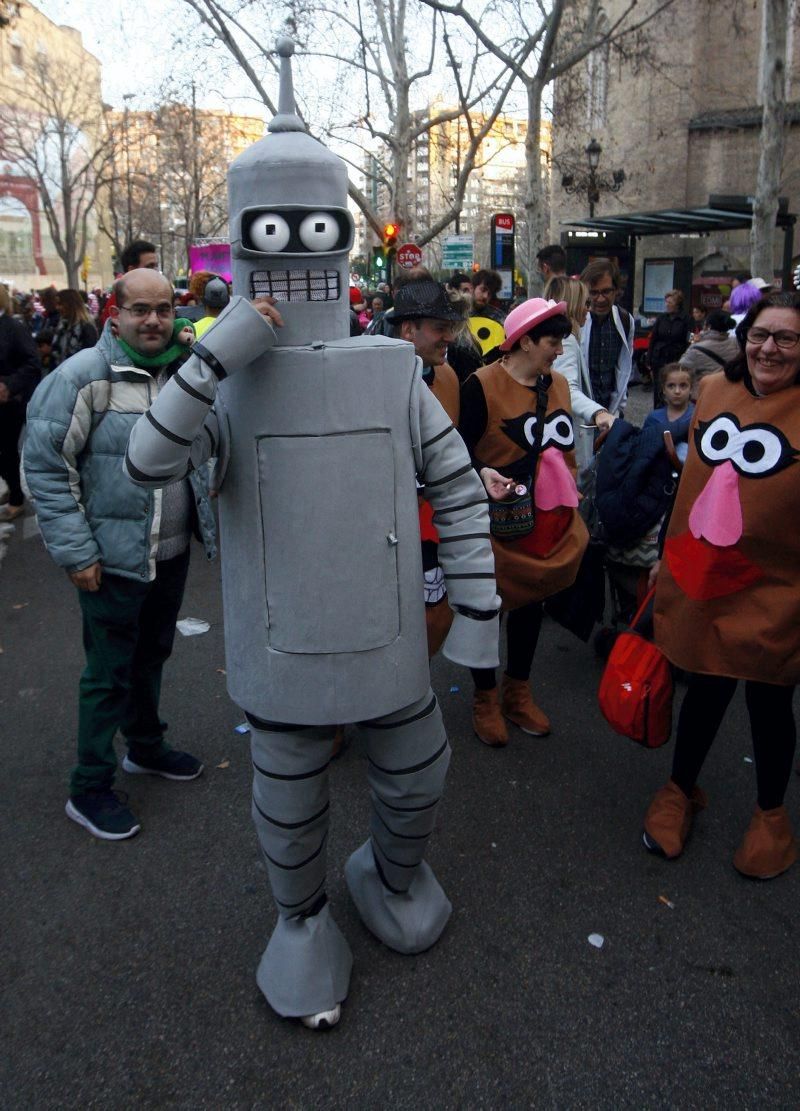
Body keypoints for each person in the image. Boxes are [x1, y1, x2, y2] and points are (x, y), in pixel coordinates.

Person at [125, 38, 499, 1031]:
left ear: (338, 233)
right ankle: (297, 920)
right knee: (288, 802)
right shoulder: (226, 374)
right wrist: (216, 355)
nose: (291, 254)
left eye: (310, 228)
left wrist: (477, 612)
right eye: (271, 230)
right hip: (280, 644)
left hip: (383, 640)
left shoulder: (390, 370)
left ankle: (389, 874)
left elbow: (456, 491)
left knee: (417, 773)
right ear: (244, 234)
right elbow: (148, 459)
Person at [23, 268, 216, 842]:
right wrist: (77, 552)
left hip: (171, 551)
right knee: (108, 674)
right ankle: (89, 787)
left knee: (152, 654)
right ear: (116, 314)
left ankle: (146, 746)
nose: (154, 320)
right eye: (140, 310)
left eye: (164, 309)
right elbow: (46, 470)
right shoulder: (83, 376)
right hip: (111, 559)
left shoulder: (186, 369)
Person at [643, 291, 800, 880]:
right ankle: (680, 790)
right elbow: (686, 488)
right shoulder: (713, 392)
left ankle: (771, 818)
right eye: (761, 334)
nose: (769, 348)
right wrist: (664, 554)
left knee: (769, 697)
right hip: (704, 574)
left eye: (787, 338)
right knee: (705, 685)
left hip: (780, 586)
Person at [458, 298, 588, 746]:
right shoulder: (480, 386)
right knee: (487, 608)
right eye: (553, 342)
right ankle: (485, 697)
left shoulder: (560, 386)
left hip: (546, 522)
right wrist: (482, 472)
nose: (558, 351)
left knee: (532, 602)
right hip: (493, 524)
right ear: (525, 341)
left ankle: (518, 690)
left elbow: (566, 448)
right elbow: (456, 450)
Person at [386, 278, 470, 655]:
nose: (448, 337)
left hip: (434, 525)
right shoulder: (371, 381)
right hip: (386, 530)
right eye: (440, 327)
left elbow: (455, 450)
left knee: (436, 615)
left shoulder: (449, 377)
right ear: (409, 330)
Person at [546, 274, 615, 477]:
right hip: (569, 439)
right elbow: (567, 388)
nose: (589, 308)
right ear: (573, 303)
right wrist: (598, 412)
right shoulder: (566, 340)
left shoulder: (564, 338)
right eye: (586, 302)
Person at [0, 283, 41, 521]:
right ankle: (12, 488)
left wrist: (9, 384)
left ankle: (16, 497)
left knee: (6, 450)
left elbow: (32, 363)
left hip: (9, 403)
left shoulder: (13, 327)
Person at [579, 258, 635, 421]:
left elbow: (625, 365)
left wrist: (619, 408)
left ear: (616, 290)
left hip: (611, 413)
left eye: (606, 291)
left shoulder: (625, 320)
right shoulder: (576, 321)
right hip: (580, 413)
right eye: (594, 293)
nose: (601, 299)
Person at [98, 240, 158, 328]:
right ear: (132, 270)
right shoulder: (117, 302)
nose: (155, 271)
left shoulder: (159, 295)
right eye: (150, 266)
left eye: (156, 266)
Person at [646, 290, 691, 406]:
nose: (667, 305)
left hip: (675, 358)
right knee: (658, 388)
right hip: (659, 357)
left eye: (670, 302)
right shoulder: (661, 318)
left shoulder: (686, 319)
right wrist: (649, 359)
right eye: (666, 302)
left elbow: (688, 340)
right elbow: (653, 338)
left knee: (672, 387)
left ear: (677, 303)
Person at [642, 363, 694, 461]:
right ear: (663, 389)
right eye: (671, 386)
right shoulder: (654, 418)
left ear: (691, 389)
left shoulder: (697, 416)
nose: (677, 391)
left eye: (683, 386)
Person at [678, 309, 739, 391]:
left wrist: (694, 343)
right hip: (729, 392)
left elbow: (680, 369)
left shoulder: (696, 349)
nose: (695, 314)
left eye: (697, 312)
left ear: (708, 326)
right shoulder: (736, 342)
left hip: (705, 393)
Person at [52, 289, 98, 367]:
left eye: (60, 304)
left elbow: (90, 361)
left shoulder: (87, 328)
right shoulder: (61, 326)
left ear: (70, 304)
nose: (57, 307)